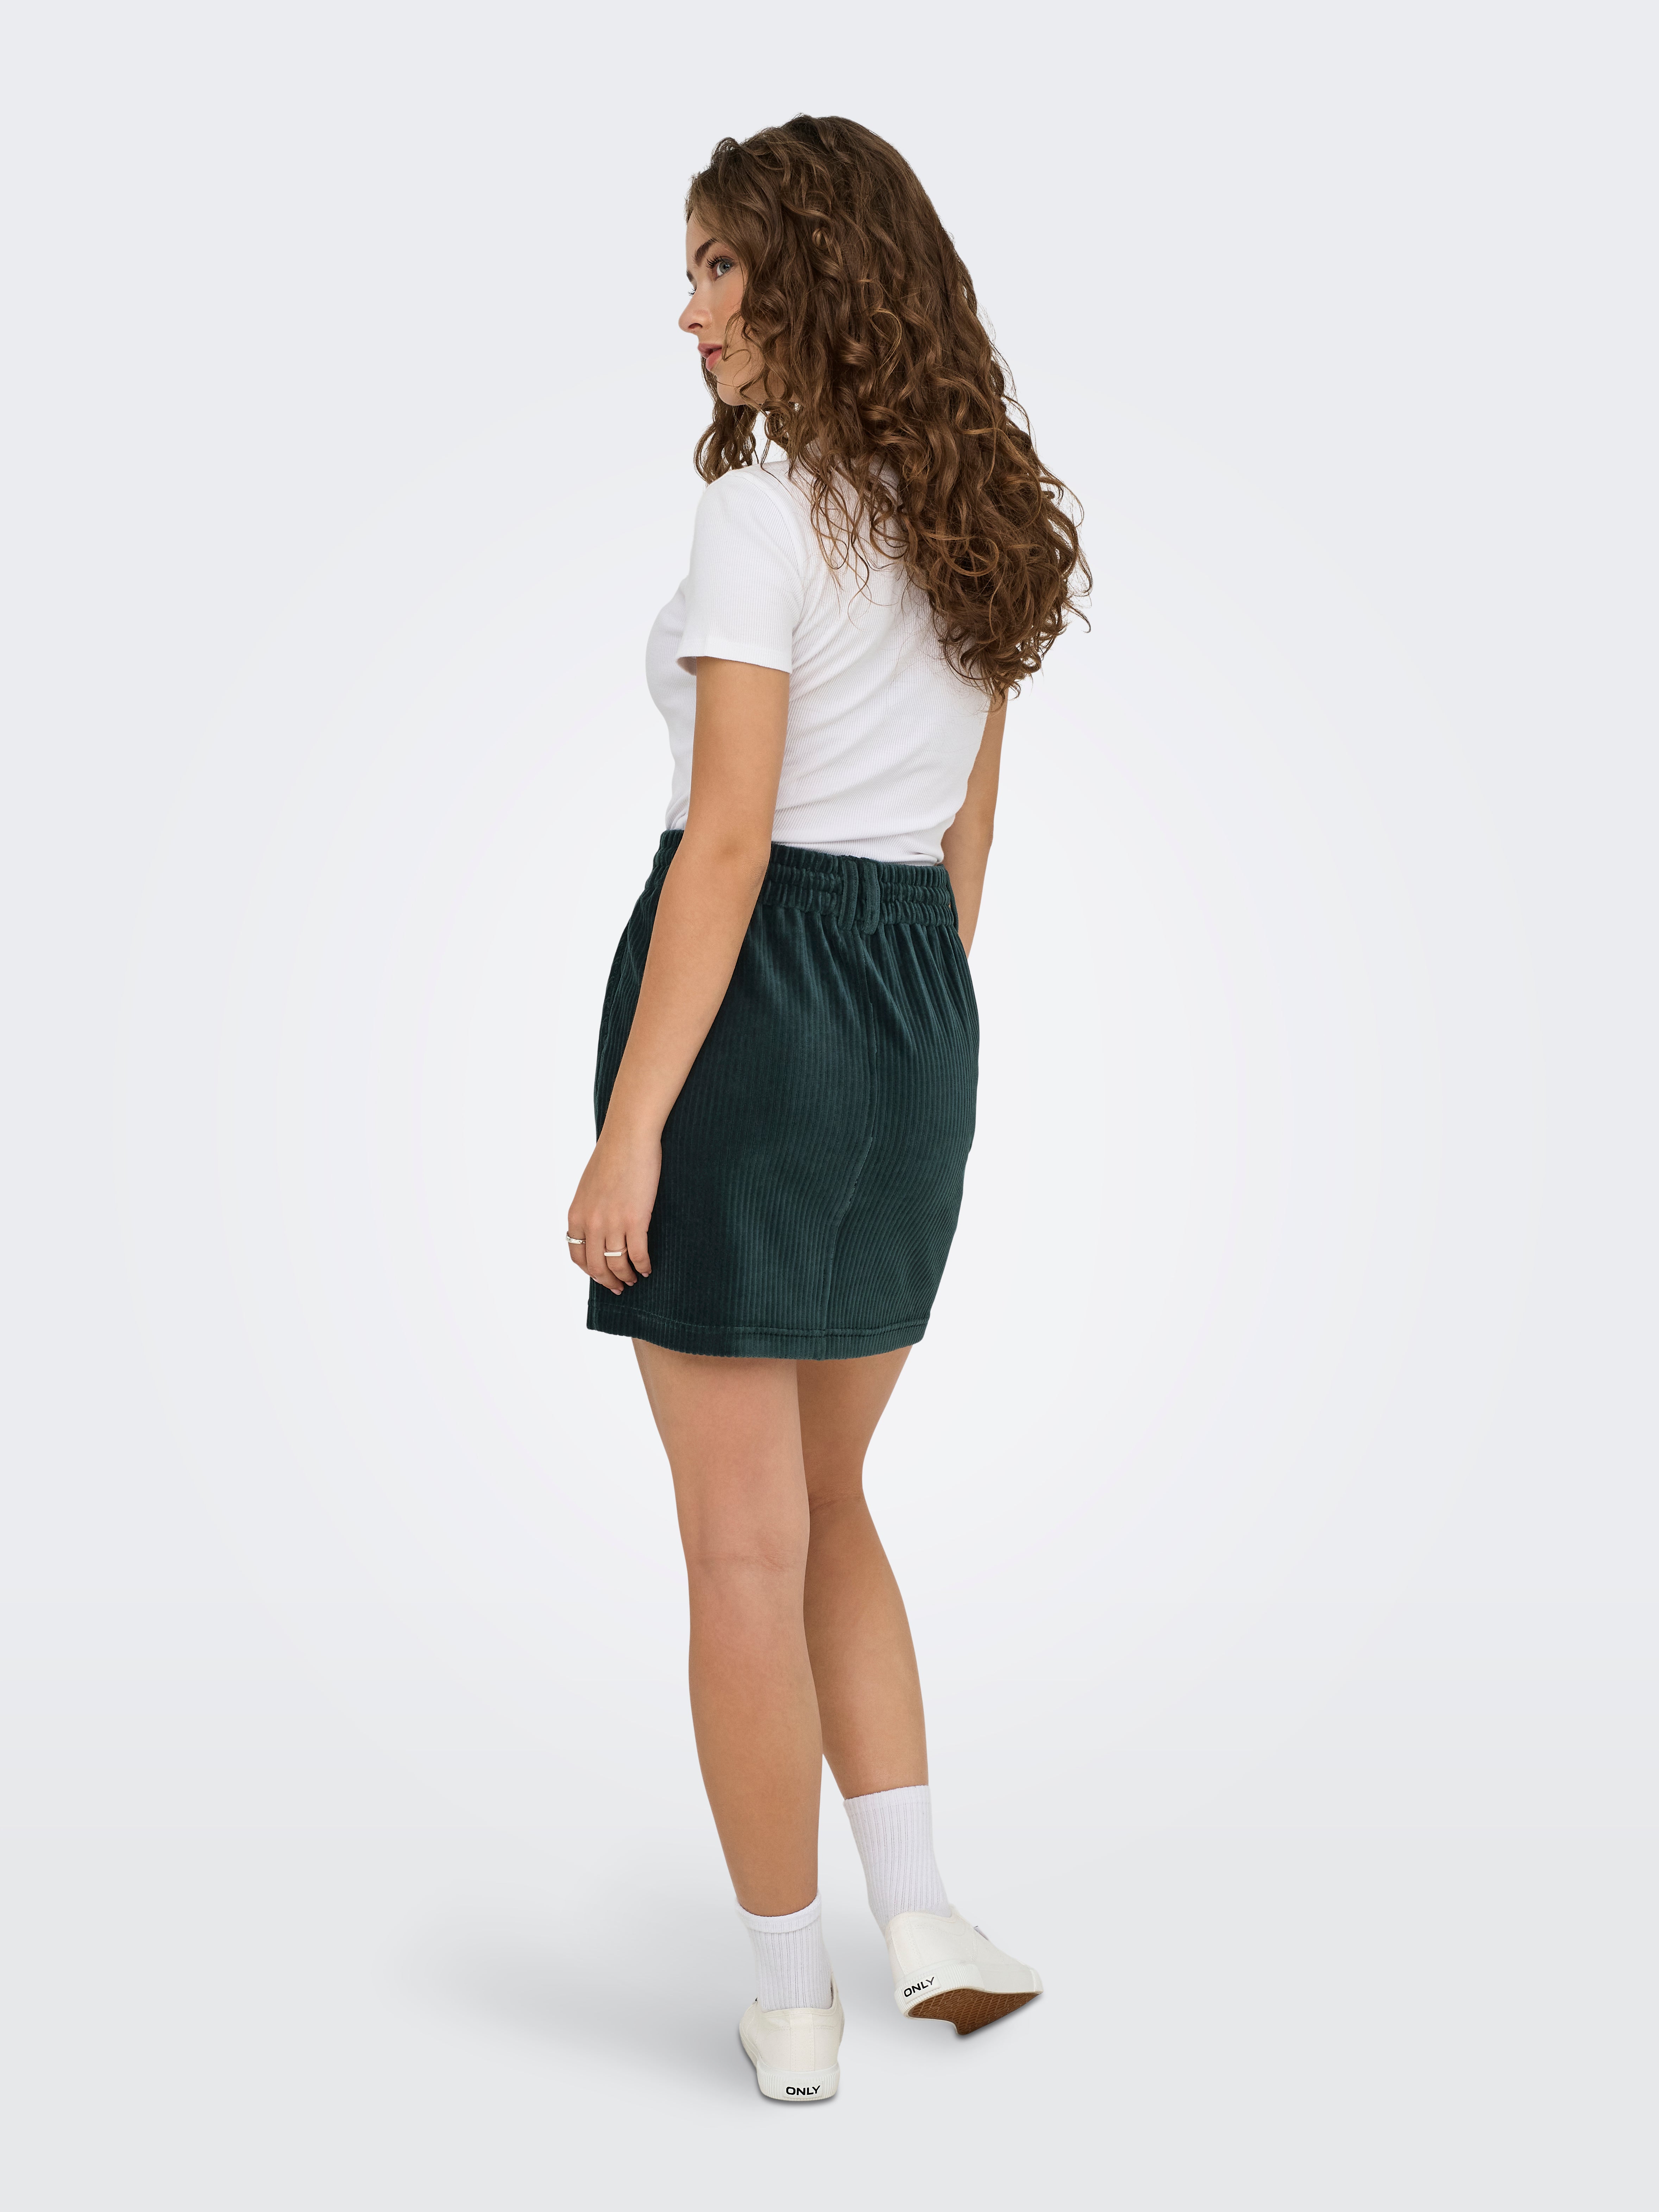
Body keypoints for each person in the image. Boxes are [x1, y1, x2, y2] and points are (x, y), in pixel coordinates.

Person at [565, 114, 1087, 2103]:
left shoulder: (763, 519)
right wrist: (904, 1047)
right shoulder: (979, 520)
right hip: (912, 1021)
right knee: (833, 1499)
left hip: (754, 1011)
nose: (691, 311)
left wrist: (636, 1127)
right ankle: (924, 1914)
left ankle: (792, 1998)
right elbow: (968, 837)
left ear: (812, 278)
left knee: (740, 1548)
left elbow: (727, 845)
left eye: (720, 267)